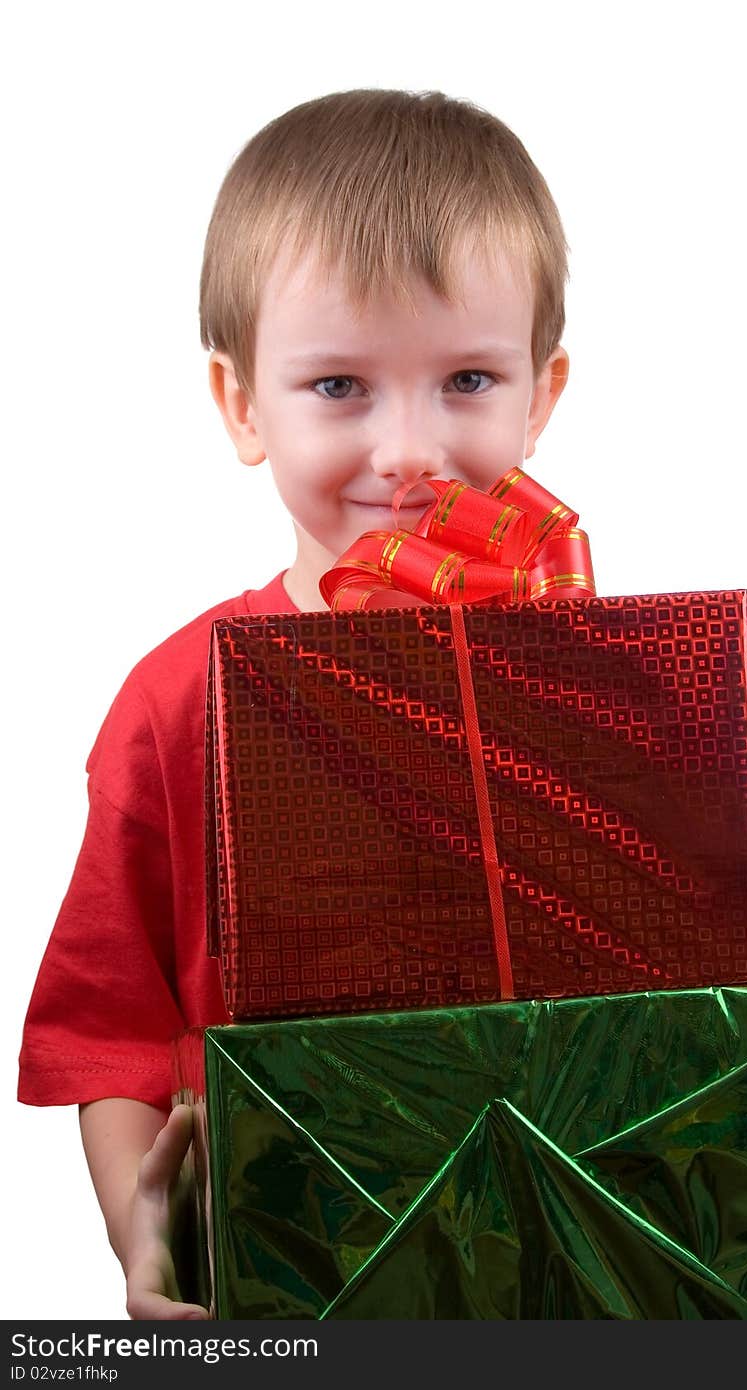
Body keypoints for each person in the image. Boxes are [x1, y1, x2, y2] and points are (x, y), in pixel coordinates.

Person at [17, 88, 571, 1319]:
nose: (409, 448)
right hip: (280, 1283)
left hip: (548, 1275)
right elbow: (111, 1025)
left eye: (468, 377)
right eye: (338, 387)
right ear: (240, 405)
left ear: (541, 392)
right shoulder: (176, 700)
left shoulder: (586, 682)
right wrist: (144, 1241)